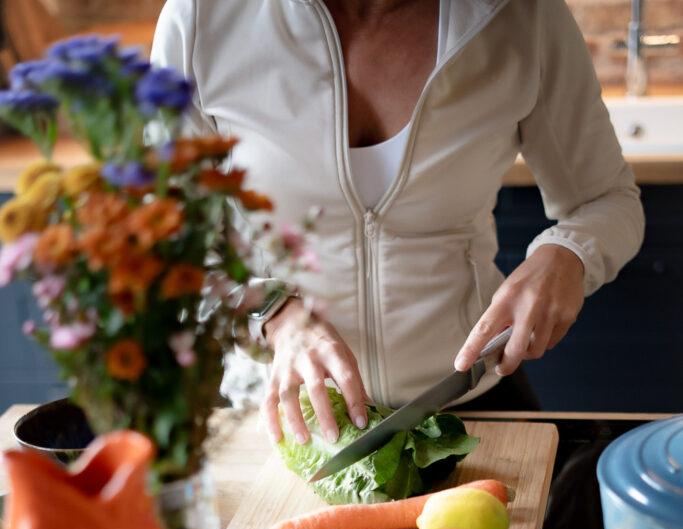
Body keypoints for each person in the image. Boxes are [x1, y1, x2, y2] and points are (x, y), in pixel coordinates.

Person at [150, 0, 644, 446]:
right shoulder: (202, 19)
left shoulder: (523, 16)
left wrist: (568, 255)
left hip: (471, 409)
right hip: (282, 420)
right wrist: (270, 313)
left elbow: (608, 199)